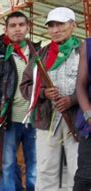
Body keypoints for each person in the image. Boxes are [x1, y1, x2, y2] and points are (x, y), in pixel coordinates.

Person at [20, 7, 80, 191]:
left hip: (78, 120)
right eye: (51, 26)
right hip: (47, 119)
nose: (55, 30)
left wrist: (73, 99)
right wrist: (43, 94)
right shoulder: (41, 55)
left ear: (73, 25)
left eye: (60, 24)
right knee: (46, 169)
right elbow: (25, 86)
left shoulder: (85, 52)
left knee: (79, 169)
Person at [0, 11, 38, 190]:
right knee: (7, 164)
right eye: (13, 26)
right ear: (6, 30)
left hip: (34, 119)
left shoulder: (38, 53)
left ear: (28, 27)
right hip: (8, 120)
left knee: (33, 165)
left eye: (21, 25)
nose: (17, 29)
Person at [75, 23, 91, 191]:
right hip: (90, 126)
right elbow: (81, 85)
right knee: (84, 179)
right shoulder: (88, 46)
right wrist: (89, 115)